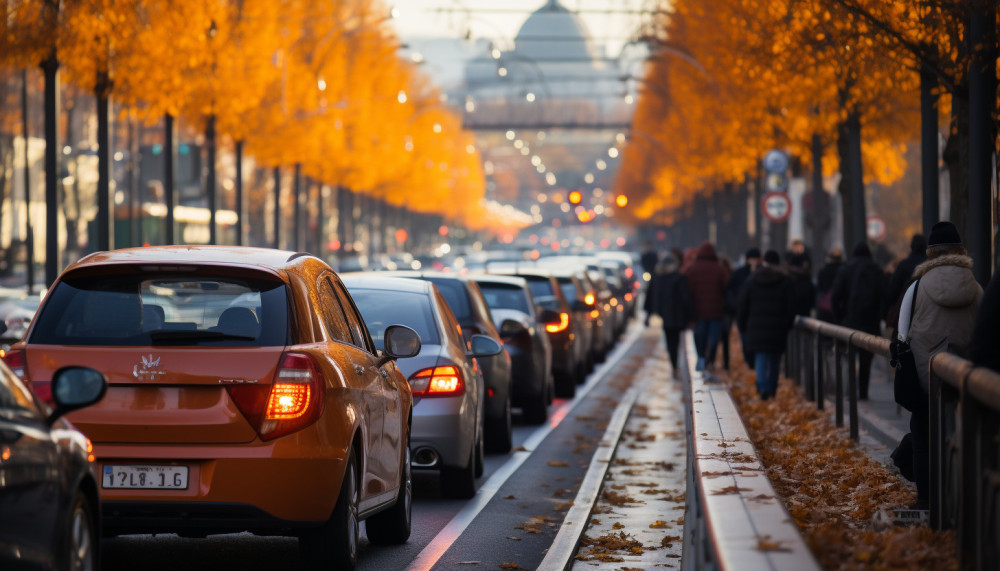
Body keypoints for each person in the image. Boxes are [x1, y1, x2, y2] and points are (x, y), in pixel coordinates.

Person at [902, 221, 982, 509]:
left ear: (929, 253)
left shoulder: (916, 288)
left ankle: (927, 501)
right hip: (965, 381)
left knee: (922, 437)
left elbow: (901, 336)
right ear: (960, 251)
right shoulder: (976, 288)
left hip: (927, 381)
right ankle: (964, 504)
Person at [737, 250, 795, 399]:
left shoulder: (752, 280)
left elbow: (743, 305)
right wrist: (787, 325)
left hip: (756, 327)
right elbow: (790, 307)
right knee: (775, 360)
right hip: (777, 327)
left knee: (761, 358)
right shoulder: (785, 281)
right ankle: (772, 388)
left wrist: (742, 325)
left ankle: (762, 387)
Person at [831, 242, 885, 400]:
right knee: (866, 358)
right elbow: (884, 295)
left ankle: (851, 390)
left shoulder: (845, 269)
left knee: (850, 356)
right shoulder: (876, 269)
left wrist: (840, 317)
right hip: (870, 321)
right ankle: (863, 392)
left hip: (851, 320)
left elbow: (835, 297)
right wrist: (879, 315)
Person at [683, 241, 729, 370]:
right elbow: (726, 287)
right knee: (714, 338)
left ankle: (701, 357)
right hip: (716, 310)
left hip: (698, 311)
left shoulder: (692, 269)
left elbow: (688, 290)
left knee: (699, 336)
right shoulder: (720, 268)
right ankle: (711, 359)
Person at [647, 253, 694, 377]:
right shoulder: (679, 278)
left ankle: (674, 364)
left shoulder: (658, 278)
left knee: (670, 341)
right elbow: (686, 297)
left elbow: (652, 296)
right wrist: (690, 313)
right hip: (678, 315)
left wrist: (652, 312)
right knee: (676, 340)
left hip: (665, 315)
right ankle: (675, 364)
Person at [725, 247, 761, 366]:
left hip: (754, 312)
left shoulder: (760, 273)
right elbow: (729, 290)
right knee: (745, 339)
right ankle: (749, 361)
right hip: (742, 311)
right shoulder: (739, 273)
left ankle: (752, 362)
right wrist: (734, 304)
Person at [885, 234, 927, 315]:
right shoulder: (930, 263)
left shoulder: (903, 265)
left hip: (907, 309)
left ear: (911, 246)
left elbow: (893, 290)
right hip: (927, 309)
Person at [815, 247, 843, 323]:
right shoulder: (844, 270)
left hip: (824, 308)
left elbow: (820, 288)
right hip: (840, 307)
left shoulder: (824, 271)